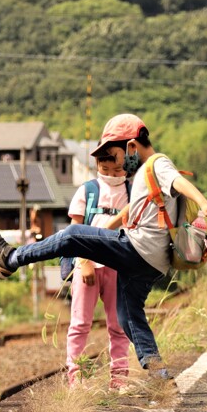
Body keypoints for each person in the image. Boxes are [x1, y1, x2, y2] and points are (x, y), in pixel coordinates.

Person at [0, 114, 207, 380]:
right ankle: (160, 376)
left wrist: (203, 203)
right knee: (128, 315)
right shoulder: (142, 180)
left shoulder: (157, 163)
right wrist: (97, 239)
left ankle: (11, 258)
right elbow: (128, 212)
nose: (116, 164)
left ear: (132, 146)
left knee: (72, 234)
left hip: (140, 249)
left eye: (115, 155)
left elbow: (179, 181)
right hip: (154, 263)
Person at [65, 151, 130, 389]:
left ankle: (120, 379)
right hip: (88, 266)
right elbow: (75, 231)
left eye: (117, 171)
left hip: (118, 266)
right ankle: (77, 378)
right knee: (80, 323)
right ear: (97, 165)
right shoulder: (87, 190)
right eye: (106, 170)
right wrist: (84, 262)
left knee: (119, 324)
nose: (112, 175)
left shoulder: (131, 192)